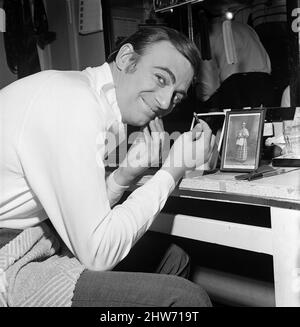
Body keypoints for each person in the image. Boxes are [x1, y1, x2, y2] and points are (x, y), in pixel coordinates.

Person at [0, 26, 213, 307]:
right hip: (10, 254)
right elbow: (98, 252)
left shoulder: (83, 94)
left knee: (173, 258)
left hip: (30, 236)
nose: (164, 102)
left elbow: (78, 211)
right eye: (161, 78)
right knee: (186, 300)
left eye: (176, 96)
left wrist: (124, 175)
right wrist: (173, 171)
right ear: (126, 58)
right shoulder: (74, 102)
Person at [195, 14, 275, 111]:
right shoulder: (246, 28)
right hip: (263, 83)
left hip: (236, 90)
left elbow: (208, 84)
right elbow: (266, 60)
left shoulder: (207, 34)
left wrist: (201, 97)